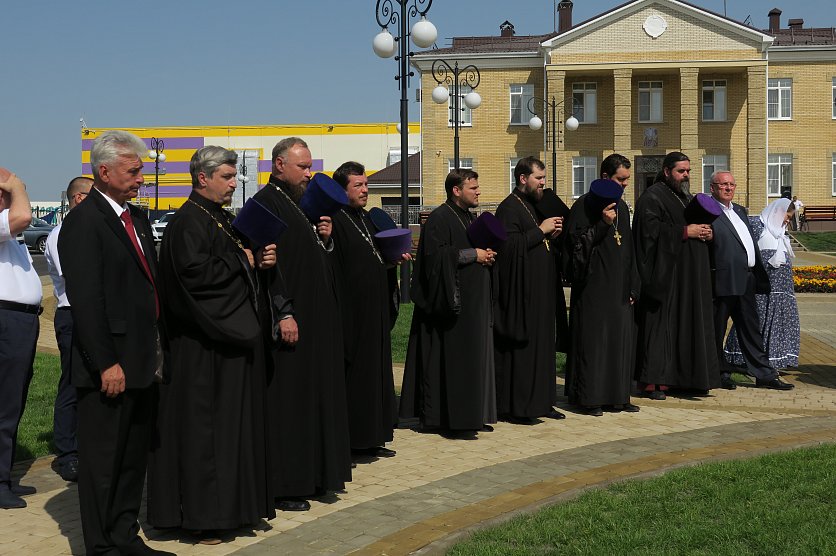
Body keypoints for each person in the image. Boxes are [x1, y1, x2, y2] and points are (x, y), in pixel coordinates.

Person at [146, 147, 276, 541]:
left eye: (235, 176)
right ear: (202, 178)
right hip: (203, 349)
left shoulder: (220, 219)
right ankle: (206, 519)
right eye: (227, 176)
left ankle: (236, 510)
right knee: (207, 436)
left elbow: (236, 265)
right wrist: (245, 262)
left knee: (231, 434)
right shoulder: (187, 223)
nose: (234, 183)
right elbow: (194, 279)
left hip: (228, 346)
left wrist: (259, 260)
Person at [59, 130, 173, 555]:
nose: (142, 177)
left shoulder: (136, 219)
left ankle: (125, 536)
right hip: (110, 367)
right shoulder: (84, 222)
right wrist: (105, 362)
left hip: (142, 360)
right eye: (134, 170)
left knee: (130, 459)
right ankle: (102, 546)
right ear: (104, 172)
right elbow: (88, 302)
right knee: (103, 463)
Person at [253, 137, 352, 512]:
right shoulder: (266, 203)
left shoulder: (300, 205)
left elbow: (311, 260)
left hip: (316, 320)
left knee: (314, 399)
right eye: (301, 167)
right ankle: (286, 484)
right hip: (290, 323)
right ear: (279, 165)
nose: (308, 173)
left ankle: (314, 475)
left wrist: (324, 240)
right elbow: (269, 267)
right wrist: (284, 311)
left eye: (309, 166)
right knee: (290, 404)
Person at [400, 169, 497, 434]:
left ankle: (470, 416)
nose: (478, 191)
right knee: (452, 363)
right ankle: (449, 421)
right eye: (472, 187)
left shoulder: (467, 216)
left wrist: (484, 255)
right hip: (449, 306)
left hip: (471, 304)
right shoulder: (440, 218)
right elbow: (434, 258)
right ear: (456, 190)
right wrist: (472, 255)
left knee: (469, 361)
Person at [632, 152, 719, 399]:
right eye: (681, 171)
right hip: (665, 276)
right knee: (661, 328)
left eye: (688, 171)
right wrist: (683, 231)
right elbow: (647, 234)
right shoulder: (652, 196)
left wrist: (706, 233)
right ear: (667, 171)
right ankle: (653, 382)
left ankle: (685, 379)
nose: (686, 176)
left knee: (687, 324)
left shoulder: (684, 197)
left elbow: (693, 226)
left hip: (688, 277)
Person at [331, 161, 401, 457]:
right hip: (353, 312)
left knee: (377, 375)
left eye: (366, 185)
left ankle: (374, 436)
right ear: (342, 189)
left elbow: (373, 257)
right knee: (357, 379)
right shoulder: (336, 220)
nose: (365, 190)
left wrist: (391, 260)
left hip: (376, 309)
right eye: (357, 186)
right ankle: (354, 442)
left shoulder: (366, 218)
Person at [563, 155, 640, 416]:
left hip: (619, 287)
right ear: (605, 177)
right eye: (621, 179)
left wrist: (633, 284)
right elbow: (575, 248)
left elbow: (629, 249)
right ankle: (590, 397)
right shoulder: (583, 206)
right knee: (595, 343)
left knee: (620, 342)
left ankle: (618, 396)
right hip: (594, 287)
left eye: (627, 179)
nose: (625, 184)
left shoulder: (623, 207)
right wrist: (602, 225)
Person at [494, 157, 566, 422]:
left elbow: (537, 243)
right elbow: (508, 249)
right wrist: (540, 231)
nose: (543, 184)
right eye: (539, 179)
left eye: (544, 179)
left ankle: (544, 402)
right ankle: (522, 408)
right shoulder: (508, 208)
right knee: (526, 352)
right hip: (521, 294)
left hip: (542, 292)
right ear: (523, 178)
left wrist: (550, 235)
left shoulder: (533, 206)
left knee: (544, 348)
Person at [708, 172, 794, 391]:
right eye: (723, 184)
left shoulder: (739, 210)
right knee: (717, 327)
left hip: (746, 278)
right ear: (713, 188)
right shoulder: (709, 210)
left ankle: (764, 375)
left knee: (750, 327)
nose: (728, 188)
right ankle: (719, 372)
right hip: (723, 277)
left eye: (731, 184)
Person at [43, 176, 93, 483]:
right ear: (78, 199)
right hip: (71, 314)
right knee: (72, 383)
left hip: (91, 314)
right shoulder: (61, 234)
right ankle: (67, 453)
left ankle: (85, 445)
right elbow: (77, 275)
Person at [0, 169, 41, 510]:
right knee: (4, 404)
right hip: (5, 319)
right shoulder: (8, 222)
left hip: (20, 322)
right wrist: (16, 185)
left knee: (13, 401)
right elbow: (24, 215)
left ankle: (4, 475)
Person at [724, 198, 799, 372]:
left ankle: (773, 359)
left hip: (782, 292)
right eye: (787, 216)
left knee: (779, 325)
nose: (788, 220)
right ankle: (739, 356)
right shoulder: (757, 227)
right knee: (754, 323)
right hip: (762, 290)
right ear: (777, 211)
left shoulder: (780, 233)